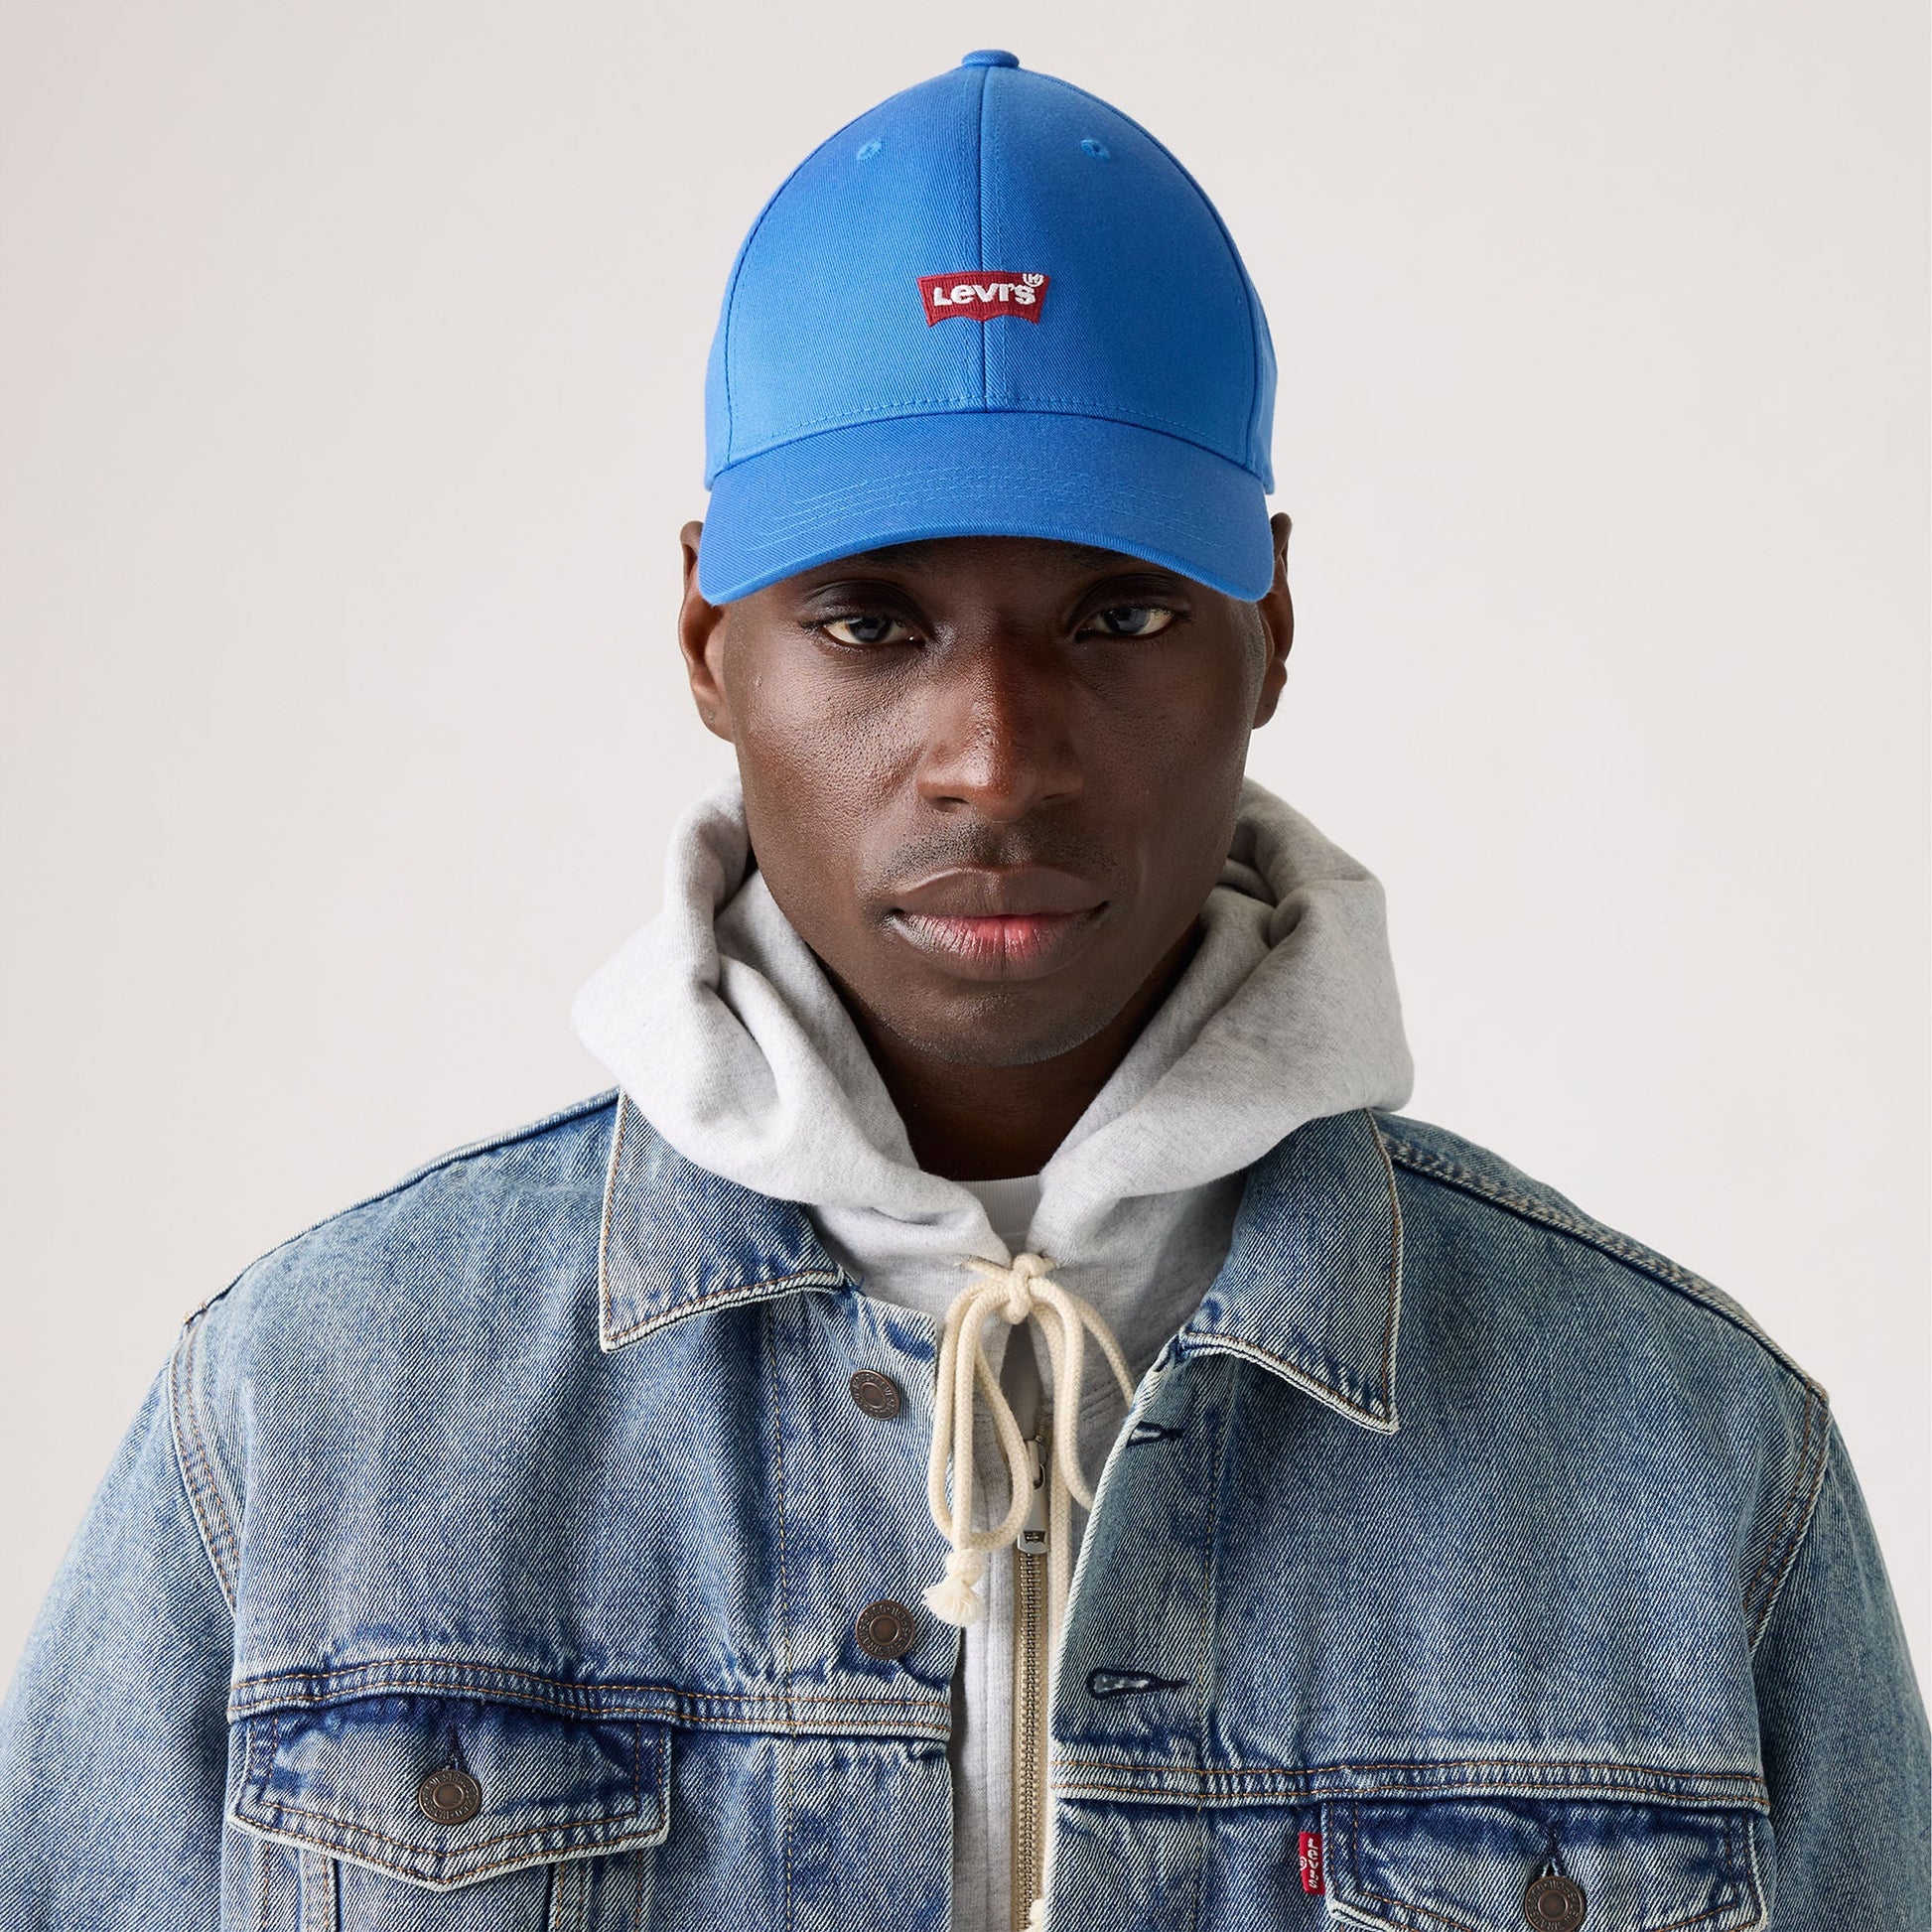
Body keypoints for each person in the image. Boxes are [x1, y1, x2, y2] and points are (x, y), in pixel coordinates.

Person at [0, 48, 1923, 1932]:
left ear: (1265, 632)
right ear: (708, 640)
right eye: (869, 622)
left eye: (1119, 616)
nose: (994, 762)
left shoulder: (1687, 1459)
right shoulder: (314, 1409)